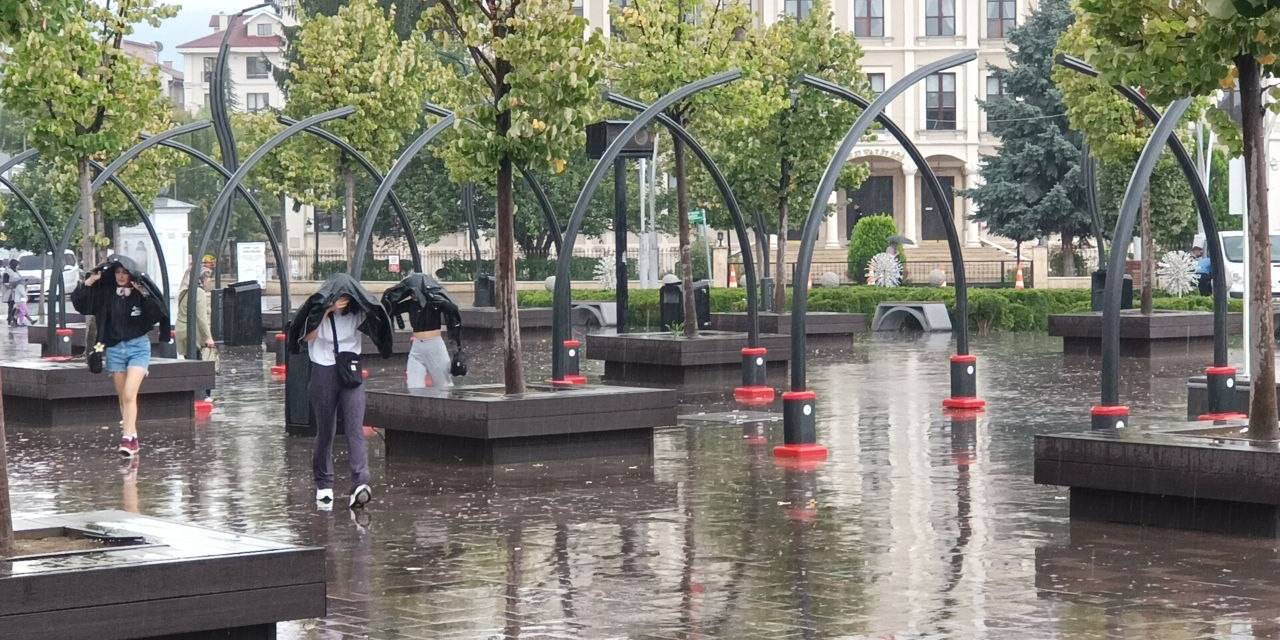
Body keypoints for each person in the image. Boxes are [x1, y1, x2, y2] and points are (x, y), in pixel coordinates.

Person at [287, 273, 391, 510]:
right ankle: (324, 483)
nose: (343, 301)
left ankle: (361, 483)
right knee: (326, 430)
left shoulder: (358, 312)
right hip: (323, 371)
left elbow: (376, 322)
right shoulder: (318, 312)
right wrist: (326, 311)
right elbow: (307, 337)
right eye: (339, 297)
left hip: (350, 371)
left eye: (347, 297)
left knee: (355, 427)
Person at [71, 255, 170, 458]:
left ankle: (126, 439)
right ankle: (132, 435)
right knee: (122, 397)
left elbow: (157, 313)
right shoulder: (105, 294)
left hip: (138, 348)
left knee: (128, 394)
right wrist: (89, 281)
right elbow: (82, 304)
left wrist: (143, 293)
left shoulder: (139, 294)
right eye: (118, 272)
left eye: (125, 272)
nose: (121, 276)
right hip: (114, 348)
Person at [382, 273, 465, 389]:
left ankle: (446, 406)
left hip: (434, 346)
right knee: (413, 385)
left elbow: (452, 309)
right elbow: (391, 309)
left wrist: (439, 300)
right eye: (410, 292)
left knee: (444, 384)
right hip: (417, 347)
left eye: (414, 292)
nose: (412, 295)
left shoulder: (433, 303)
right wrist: (390, 295)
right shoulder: (411, 304)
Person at [177, 269, 216, 402]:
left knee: (192, 362)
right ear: (201, 280)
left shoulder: (184, 292)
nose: (209, 281)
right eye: (208, 278)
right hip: (193, 334)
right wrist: (208, 337)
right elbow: (201, 318)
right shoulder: (199, 293)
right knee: (201, 364)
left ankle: (196, 393)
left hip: (182, 332)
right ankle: (203, 395)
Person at [3, 259, 19, 327]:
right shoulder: (7, 272)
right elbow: (5, 282)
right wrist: (12, 286)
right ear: (12, 264)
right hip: (10, 293)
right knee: (11, 306)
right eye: (16, 264)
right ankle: (11, 320)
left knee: (17, 307)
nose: (17, 266)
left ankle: (13, 320)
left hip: (16, 292)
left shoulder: (15, 271)